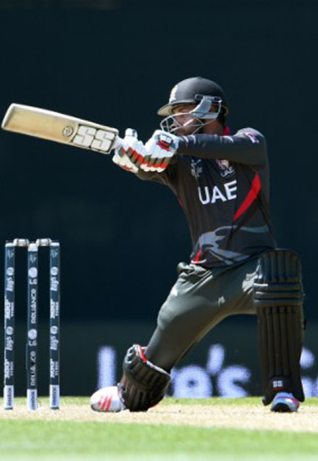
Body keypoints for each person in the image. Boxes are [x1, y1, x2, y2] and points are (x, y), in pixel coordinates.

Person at [90, 77, 306, 414]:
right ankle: (126, 391)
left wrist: (177, 144)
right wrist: (132, 156)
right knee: (154, 360)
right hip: (202, 277)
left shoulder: (249, 142)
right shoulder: (180, 163)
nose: (175, 119)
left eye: (182, 110)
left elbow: (223, 146)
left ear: (211, 109)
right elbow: (149, 167)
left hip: (251, 269)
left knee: (279, 276)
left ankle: (283, 390)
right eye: (173, 113)